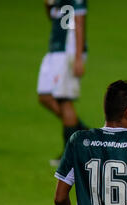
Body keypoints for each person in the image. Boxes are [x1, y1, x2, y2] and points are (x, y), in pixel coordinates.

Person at [37, 0, 89, 166]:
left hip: (69, 52)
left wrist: (78, 58)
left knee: (64, 101)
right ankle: (82, 132)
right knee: (44, 96)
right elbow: (53, 18)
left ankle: (70, 154)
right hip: (55, 51)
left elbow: (80, 23)